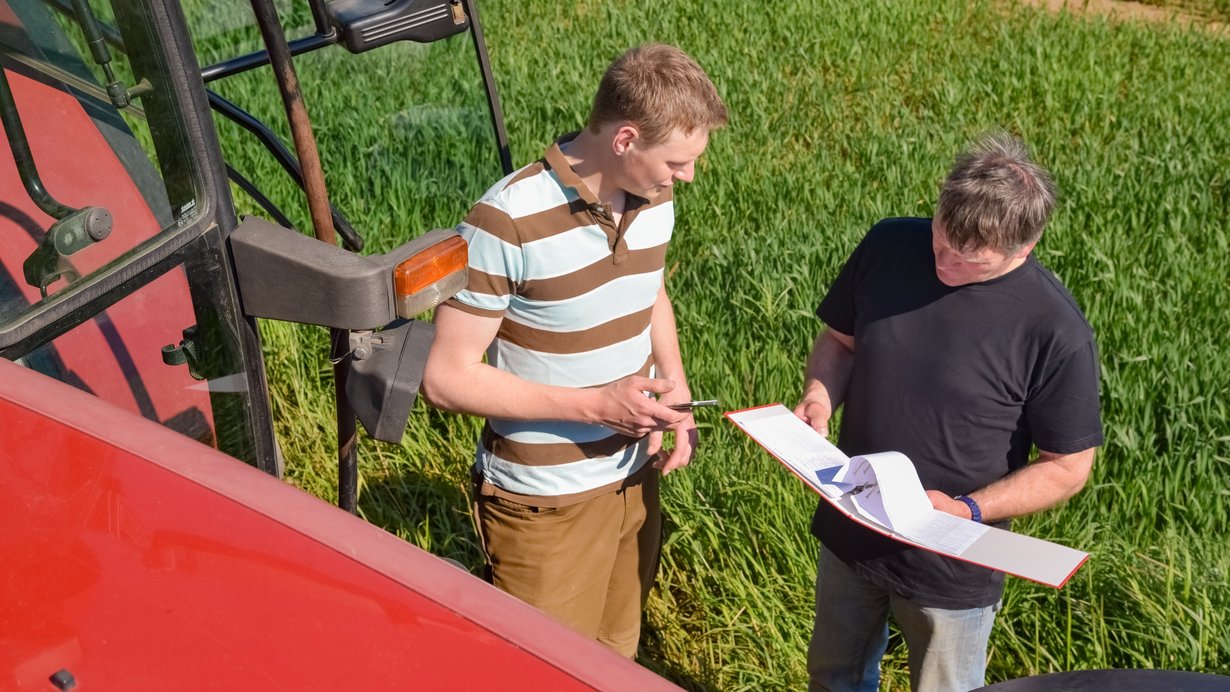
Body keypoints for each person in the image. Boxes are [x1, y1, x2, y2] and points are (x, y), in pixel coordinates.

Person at [421, 43, 727, 658]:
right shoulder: (505, 220)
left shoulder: (653, 196)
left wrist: (677, 385)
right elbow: (445, 378)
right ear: (624, 140)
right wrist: (596, 406)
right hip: (545, 503)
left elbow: (649, 290)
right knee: (548, 669)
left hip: (634, 476)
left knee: (616, 654)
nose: (688, 176)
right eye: (677, 161)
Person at [795, 132, 1103, 691]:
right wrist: (819, 395)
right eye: (939, 241)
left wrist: (966, 510)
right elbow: (840, 342)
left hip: (951, 563)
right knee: (832, 676)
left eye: (969, 261)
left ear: (1022, 250)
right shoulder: (889, 244)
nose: (944, 264)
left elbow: (1068, 466)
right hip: (853, 523)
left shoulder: (1056, 330)